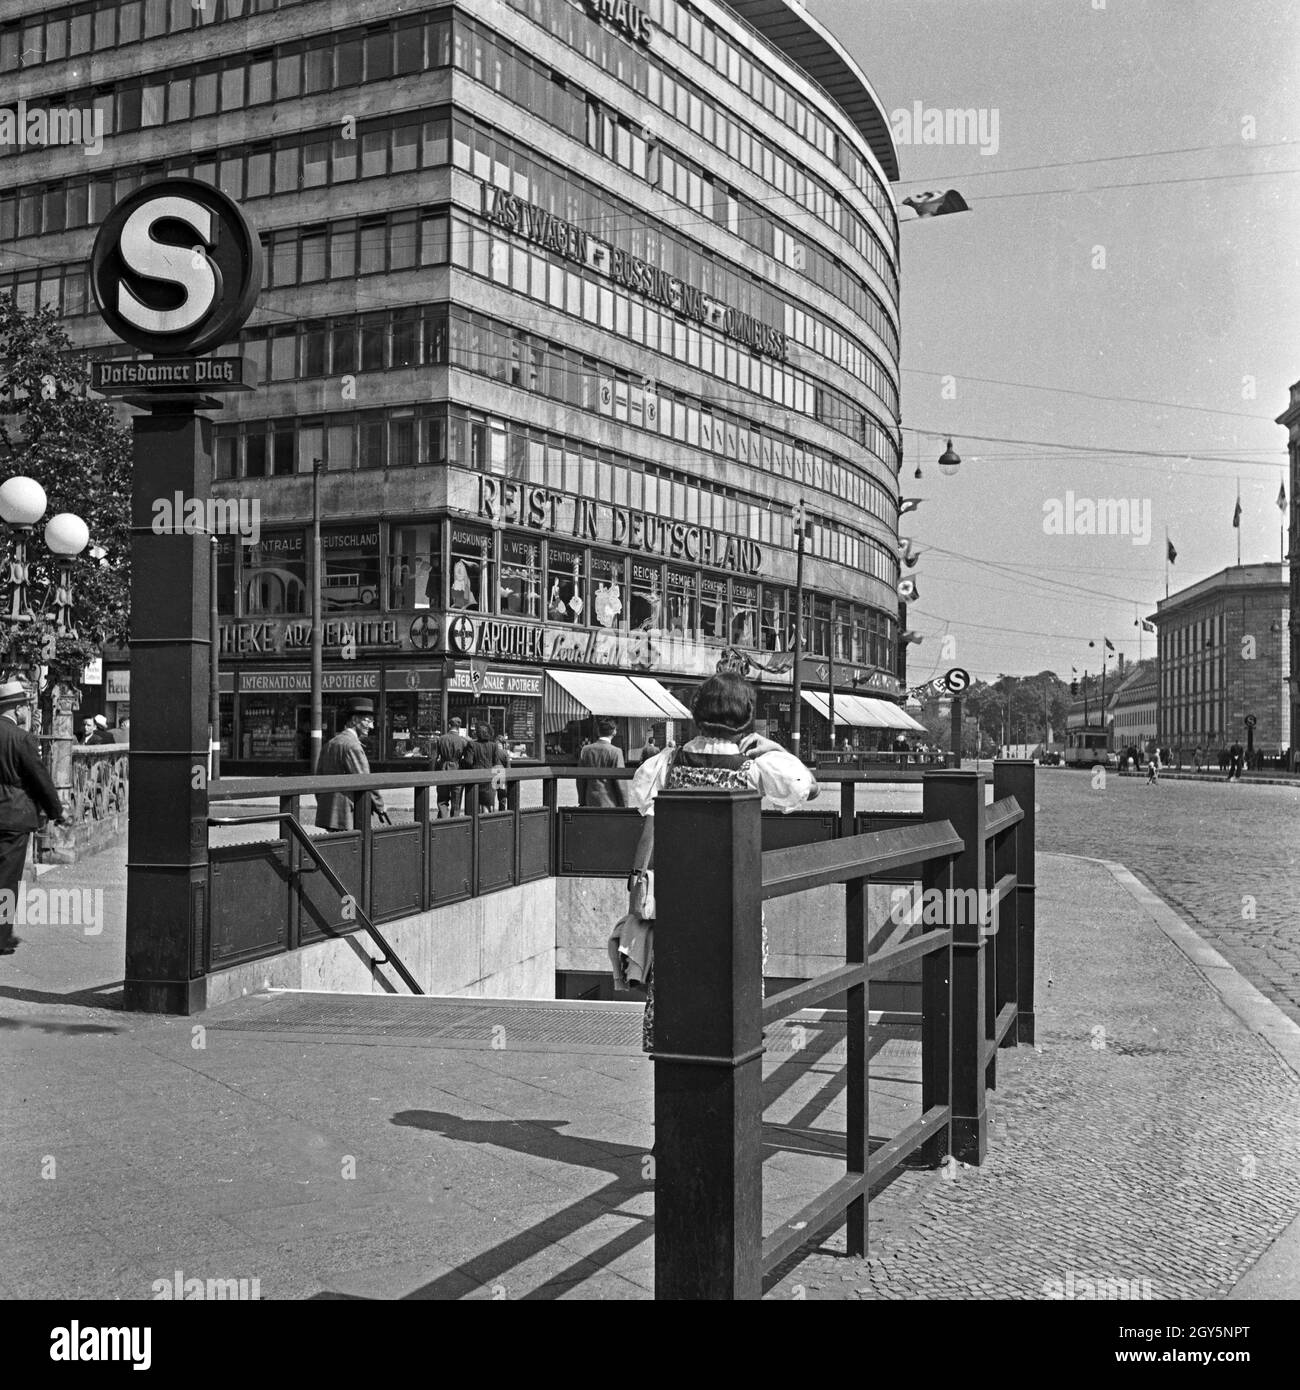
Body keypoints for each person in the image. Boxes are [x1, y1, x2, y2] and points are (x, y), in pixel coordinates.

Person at [625, 672, 818, 1053]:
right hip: (733, 895)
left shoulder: (667, 762)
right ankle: (737, 1047)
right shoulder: (755, 766)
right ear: (745, 717)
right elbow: (808, 788)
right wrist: (772, 746)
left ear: (697, 713)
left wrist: (636, 875)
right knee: (734, 973)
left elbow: (648, 815)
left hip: (681, 896)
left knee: (680, 977)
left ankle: (675, 1052)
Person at [0, 680, 66, 955]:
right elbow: (39, 777)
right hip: (14, 816)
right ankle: (1, 936)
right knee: (6, 879)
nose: (27, 709)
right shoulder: (21, 738)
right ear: (16, 709)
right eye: (25, 705)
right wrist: (56, 811)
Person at [315, 699, 385, 830]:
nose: (371, 726)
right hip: (346, 815)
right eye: (368, 721)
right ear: (354, 720)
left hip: (329, 813)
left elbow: (318, 777)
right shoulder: (352, 746)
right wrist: (380, 806)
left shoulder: (330, 743)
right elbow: (365, 780)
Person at [460, 722, 506, 812]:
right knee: (487, 806)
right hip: (489, 780)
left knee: (473, 806)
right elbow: (496, 762)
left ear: (477, 733)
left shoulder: (472, 745)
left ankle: (475, 825)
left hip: (475, 778)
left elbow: (468, 762)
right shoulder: (494, 745)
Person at [579, 719, 626, 807]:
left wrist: (582, 800)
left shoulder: (585, 750)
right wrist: (624, 804)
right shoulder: (616, 752)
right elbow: (620, 782)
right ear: (614, 732)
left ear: (598, 731)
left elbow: (580, 780)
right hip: (610, 801)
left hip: (589, 800)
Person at [431, 717, 470, 817]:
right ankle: (454, 823)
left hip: (443, 769)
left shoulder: (441, 739)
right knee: (456, 801)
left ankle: (443, 820)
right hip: (457, 770)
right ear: (459, 727)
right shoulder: (463, 741)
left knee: (442, 799)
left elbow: (434, 758)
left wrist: (432, 771)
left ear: (449, 725)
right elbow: (467, 759)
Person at [494, 729, 512, 810]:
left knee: (491, 798)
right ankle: (502, 813)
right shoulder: (505, 753)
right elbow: (508, 767)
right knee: (502, 797)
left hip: (492, 775)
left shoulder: (492, 751)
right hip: (501, 776)